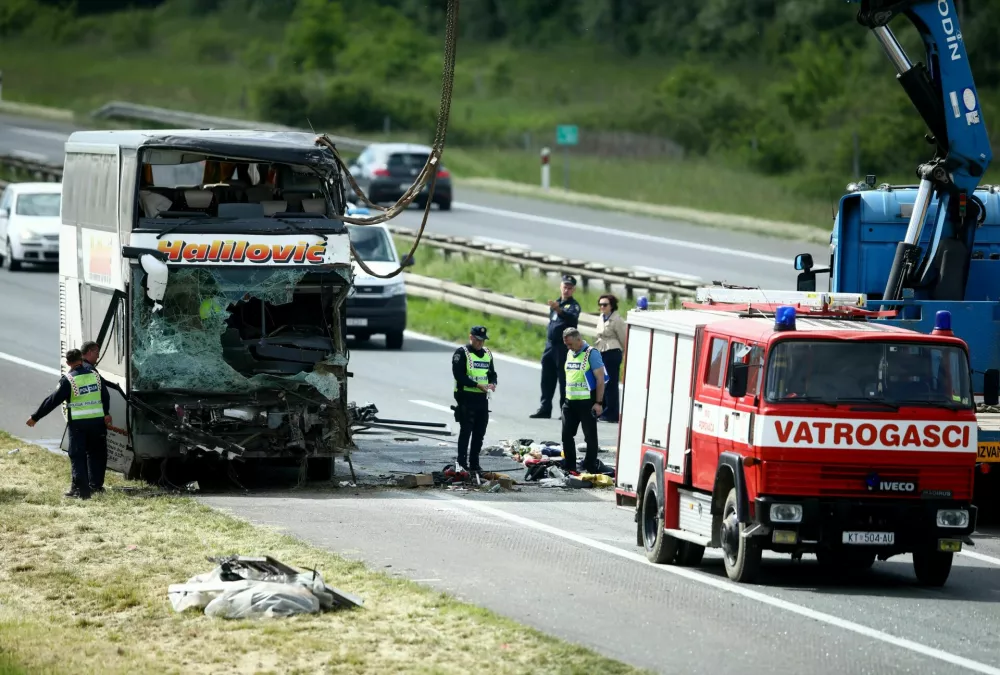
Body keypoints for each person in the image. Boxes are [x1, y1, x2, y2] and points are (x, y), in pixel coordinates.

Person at [27, 349, 111, 499]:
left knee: (77, 455)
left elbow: (52, 401)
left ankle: (81, 492)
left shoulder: (69, 380)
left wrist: (35, 417)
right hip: (98, 422)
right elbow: (105, 396)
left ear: (68, 363)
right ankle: (96, 486)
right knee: (97, 454)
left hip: (79, 424)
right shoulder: (95, 376)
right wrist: (105, 413)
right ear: (81, 359)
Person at [530, 274, 581, 418]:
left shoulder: (573, 306)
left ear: (573, 290)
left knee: (564, 380)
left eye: (570, 288)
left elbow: (570, 318)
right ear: (561, 287)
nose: (567, 290)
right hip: (550, 346)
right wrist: (557, 308)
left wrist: (559, 310)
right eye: (565, 287)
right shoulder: (556, 303)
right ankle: (545, 408)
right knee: (547, 379)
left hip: (563, 347)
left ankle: (565, 410)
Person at [561, 327, 607, 474]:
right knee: (566, 435)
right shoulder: (570, 353)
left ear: (579, 340)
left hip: (586, 402)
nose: (568, 347)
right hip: (570, 402)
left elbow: (600, 379)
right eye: (566, 345)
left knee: (590, 437)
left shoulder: (591, 354)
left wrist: (598, 403)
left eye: (570, 344)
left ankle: (591, 465)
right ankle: (570, 466)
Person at [452, 325, 497, 473]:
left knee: (479, 432)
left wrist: (493, 383)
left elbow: (492, 373)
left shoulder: (487, 354)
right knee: (466, 431)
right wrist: (476, 385)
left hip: (482, 397)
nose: (480, 343)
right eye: (477, 340)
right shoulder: (462, 353)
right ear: (471, 337)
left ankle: (474, 463)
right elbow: (459, 375)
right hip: (466, 396)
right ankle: (461, 463)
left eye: (482, 341)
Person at [594, 293, 627, 422]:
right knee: (602, 381)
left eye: (605, 304)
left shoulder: (617, 319)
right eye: (600, 304)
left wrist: (624, 351)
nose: (602, 307)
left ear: (611, 306)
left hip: (612, 351)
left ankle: (612, 413)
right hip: (601, 350)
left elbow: (623, 337)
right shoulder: (601, 317)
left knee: (611, 383)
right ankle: (603, 410)